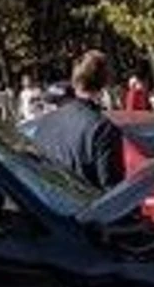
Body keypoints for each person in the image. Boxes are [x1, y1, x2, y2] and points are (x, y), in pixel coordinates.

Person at [31, 50, 125, 189]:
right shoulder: (103, 129)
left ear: (74, 81)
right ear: (105, 82)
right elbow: (112, 189)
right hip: (87, 206)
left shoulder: (45, 122)